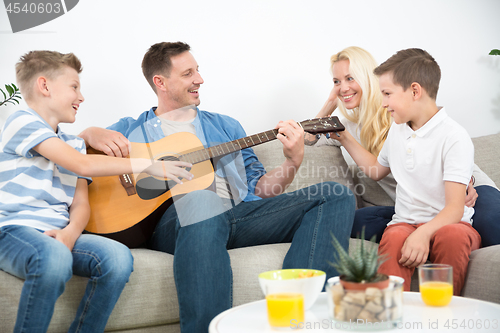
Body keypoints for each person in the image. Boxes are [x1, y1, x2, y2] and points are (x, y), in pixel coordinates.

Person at [79, 41, 355, 333]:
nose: (199, 79)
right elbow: (74, 156)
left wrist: (292, 162)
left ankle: (294, 320)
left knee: (334, 195)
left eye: (197, 71)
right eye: (188, 73)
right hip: (176, 225)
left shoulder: (226, 127)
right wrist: (88, 133)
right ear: (160, 82)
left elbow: (260, 190)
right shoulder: (132, 129)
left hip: (238, 216)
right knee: (202, 199)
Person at [0, 51, 190, 333]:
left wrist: (69, 233)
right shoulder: (22, 121)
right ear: (44, 86)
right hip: (14, 230)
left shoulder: (73, 144)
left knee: (117, 258)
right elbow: (81, 163)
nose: (82, 96)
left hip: (58, 234)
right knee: (54, 258)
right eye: (74, 86)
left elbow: (80, 206)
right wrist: (147, 165)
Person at [305, 46, 500, 247]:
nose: (343, 88)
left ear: (368, 78)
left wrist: (467, 182)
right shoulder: (347, 128)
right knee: (352, 222)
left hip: (470, 192)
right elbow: (308, 139)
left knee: (490, 225)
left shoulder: (400, 113)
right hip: (417, 210)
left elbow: (446, 145)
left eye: (350, 78)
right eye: (336, 82)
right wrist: (330, 102)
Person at [333, 48, 481, 295]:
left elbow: (455, 209)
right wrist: (344, 137)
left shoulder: (454, 137)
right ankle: (390, 314)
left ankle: (444, 316)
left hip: (451, 224)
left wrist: (423, 233)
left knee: (452, 236)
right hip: (405, 222)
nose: (383, 103)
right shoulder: (397, 129)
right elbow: (378, 170)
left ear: (414, 91)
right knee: (394, 236)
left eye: (387, 94)